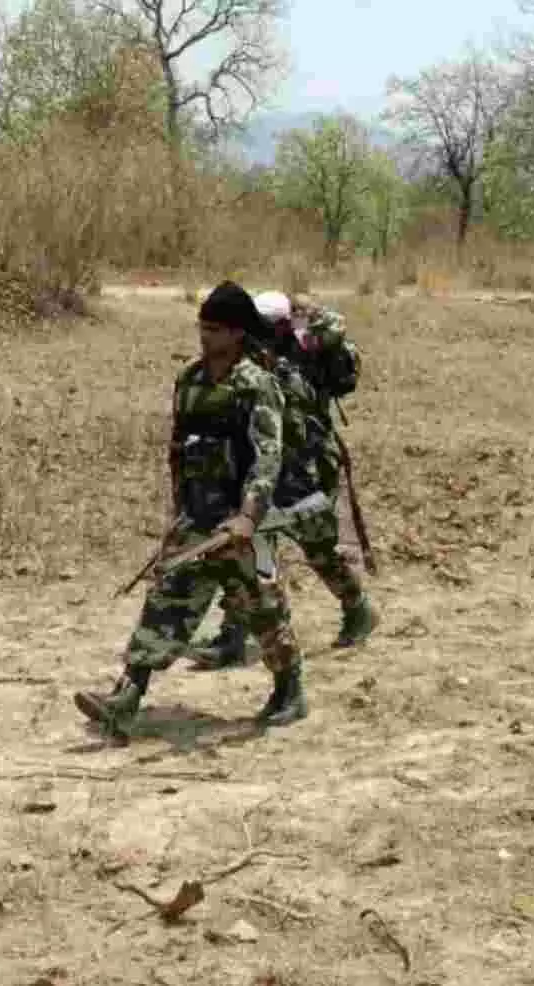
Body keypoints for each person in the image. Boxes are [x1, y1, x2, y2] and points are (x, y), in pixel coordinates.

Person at [73, 282, 305, 742]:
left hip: (240, 523)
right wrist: (178, 509)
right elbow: (179, 449)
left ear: (237, 334)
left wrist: (249, 516)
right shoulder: (191, 382)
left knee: (262, 610)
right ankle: (127, 695)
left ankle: (289, 690)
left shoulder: (258, 386)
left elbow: (267, 456)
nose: (205, 335)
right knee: (165, 600)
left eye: (215, 328)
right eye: (201, 325)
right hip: (198, 519)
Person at [195, 290, 376, 667]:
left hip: (304, 471)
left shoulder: (298, 357)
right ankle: (233, 635)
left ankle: (358, 608)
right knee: (245, 550)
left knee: (319, 549)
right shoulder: (257, 357)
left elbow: (296, 414)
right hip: (264, 469)